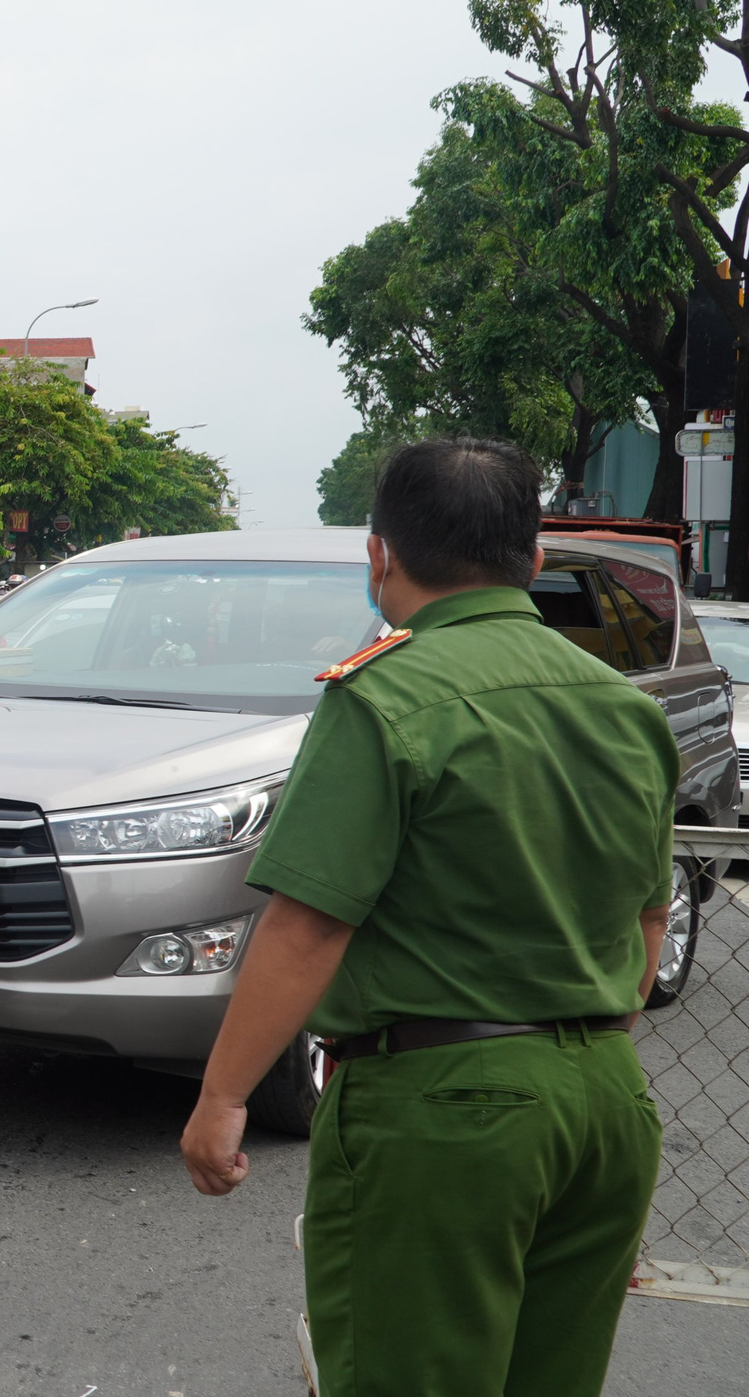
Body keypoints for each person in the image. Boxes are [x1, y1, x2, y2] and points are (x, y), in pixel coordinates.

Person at [180, 438, 675, 1397]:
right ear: (534, 559)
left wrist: (223, 1097)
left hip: (447, 1112)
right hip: (607, 1104)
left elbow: (309, 925)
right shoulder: (624, 707)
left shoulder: (385, 693)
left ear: (380, 556)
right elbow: (648, 919)